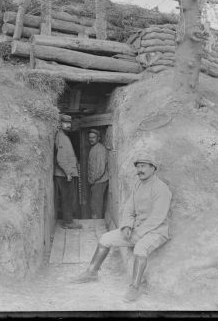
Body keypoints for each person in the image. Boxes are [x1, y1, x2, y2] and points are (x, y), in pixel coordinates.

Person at [72, 152, 172, 302]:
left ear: (153, 168)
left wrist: (139, 233)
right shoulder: (138, 184)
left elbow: (157, 217)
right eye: (138, 166)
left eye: (144, 166)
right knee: (106, 238)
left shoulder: (161, 189)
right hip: (137, 228)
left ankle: (134, 288)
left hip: (157, 231)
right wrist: (126, 226)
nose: (140, 170)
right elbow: (129, 208)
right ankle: (92, 272)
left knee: (140, 248)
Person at [53, 114, 82, 230]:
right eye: (65, 123)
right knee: (68, 198)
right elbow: (61, 158)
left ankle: (68, 220)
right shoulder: (62, 137)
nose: (68, 125)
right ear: (60, 124)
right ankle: (68, 222)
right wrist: (68, 173)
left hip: (65, 173)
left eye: (69, 123)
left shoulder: (64, 136)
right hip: (64, 174)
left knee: (68, 197)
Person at [87, 129, 109, 219]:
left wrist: (93, 180)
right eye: (90, 137)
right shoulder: (94, 148)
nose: (91, 139)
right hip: (97, 181)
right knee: (95, 204)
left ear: (98, 138)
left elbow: (100, 169)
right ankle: (96, 223)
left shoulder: (100, 149)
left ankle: (97, 225)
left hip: (99, 181)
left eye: (93, 137)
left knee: (96, 205)